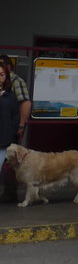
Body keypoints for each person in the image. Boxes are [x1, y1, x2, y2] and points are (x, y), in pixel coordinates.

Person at [0, 63, 23, 202]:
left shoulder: (10, 97)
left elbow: (15, 117)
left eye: (1, 75)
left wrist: (12, 133)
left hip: (3, 141)